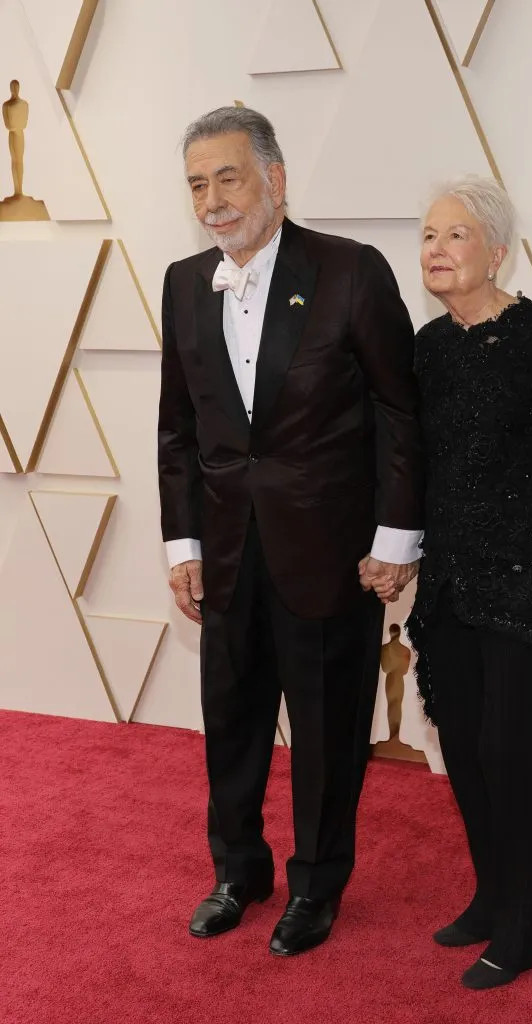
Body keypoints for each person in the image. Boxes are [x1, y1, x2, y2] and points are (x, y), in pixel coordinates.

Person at [157, 106, 423, 957]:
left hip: (330, 553)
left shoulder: (349, 270)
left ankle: (316, 884)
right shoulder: (182, 282)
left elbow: (399, 411)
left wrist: (396, 538)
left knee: (326, 734)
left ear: (274, 179)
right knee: (231, 725)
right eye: (197, 184)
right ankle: (238, 871)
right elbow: (177, 429)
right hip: (226, 553)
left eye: (227, 177)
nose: (211, 200)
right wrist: (183, 546)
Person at [369, 176, 532, 989]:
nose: (436, 249)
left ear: (496, 250)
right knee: (461, 744)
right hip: (449, 579)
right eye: (428, 236)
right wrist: (394, 548)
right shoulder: (427, 348)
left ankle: (523, 926)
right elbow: (409, 463)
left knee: (510, 750)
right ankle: (492, 896)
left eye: (455, 235)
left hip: (526, 574)